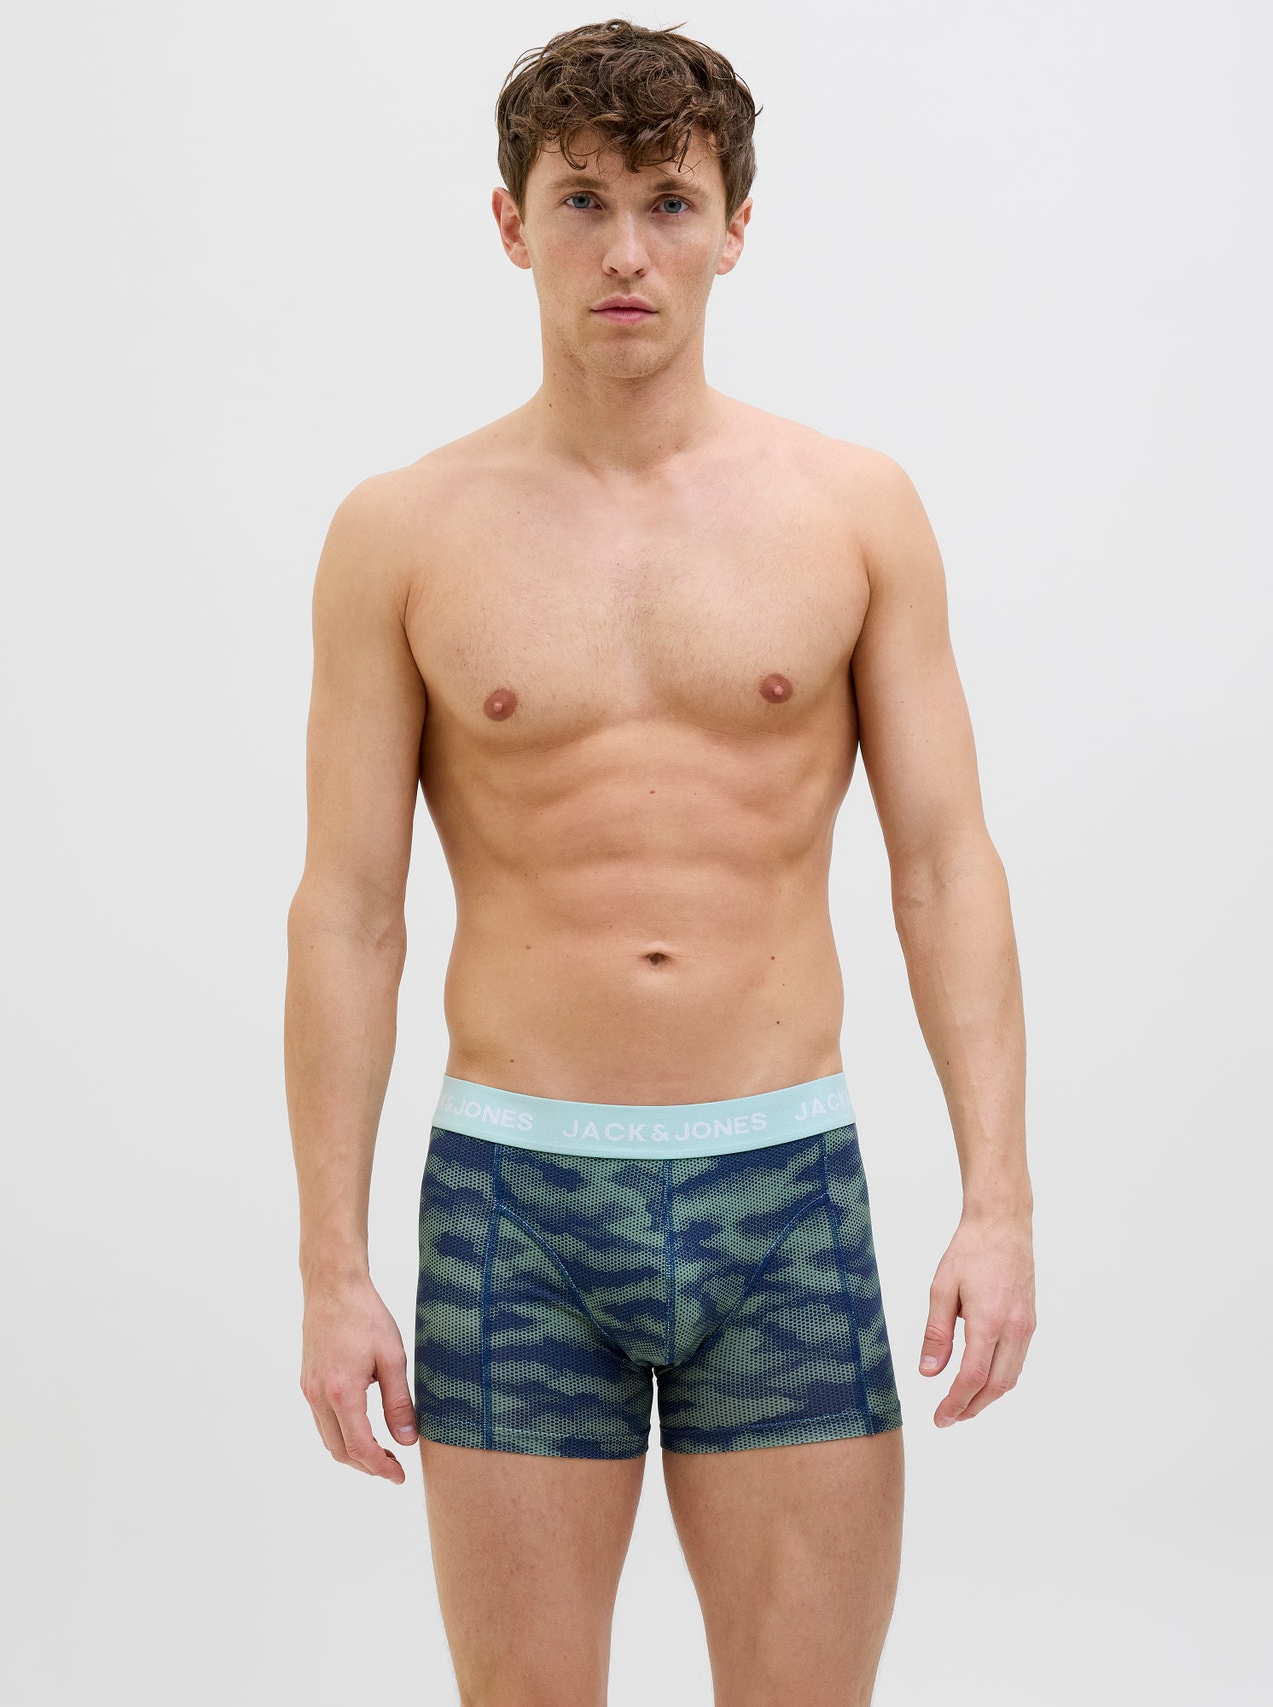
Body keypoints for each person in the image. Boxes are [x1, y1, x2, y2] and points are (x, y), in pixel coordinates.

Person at [285, 16, 1036, 1704]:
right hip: (515, 1201)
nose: (626, 251)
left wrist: (998, 1202)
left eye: (670, 204)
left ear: (734, 229)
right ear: (511, 223)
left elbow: (945, 867)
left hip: (783, 1194)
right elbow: (348, 914)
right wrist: (332, 1270)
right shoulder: (399, 534)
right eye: (582, 202)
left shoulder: (853, 511)